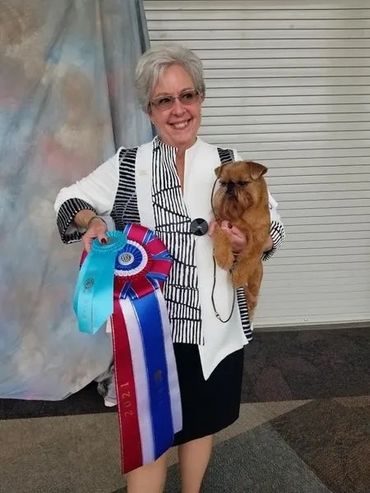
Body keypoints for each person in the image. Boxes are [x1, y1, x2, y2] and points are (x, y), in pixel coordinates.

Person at [54, 44, 285, 493]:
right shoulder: (127, 164)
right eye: (165, 100)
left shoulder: (229, 160)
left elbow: (274, 228)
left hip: (215, 327)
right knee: (150, 432)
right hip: (148, 330)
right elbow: (68, 199)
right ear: (149, 110)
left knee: (201, 422)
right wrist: (95, 220)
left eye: (188, 96)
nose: (178, 110)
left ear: (200, 99)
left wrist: (247, 241)